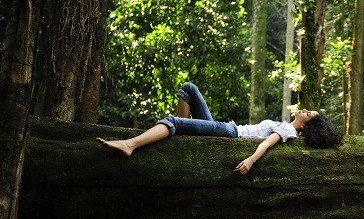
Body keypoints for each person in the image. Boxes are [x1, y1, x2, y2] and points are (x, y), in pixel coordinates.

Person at [97, 82, 343, 174]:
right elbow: (257, 132)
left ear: (306, 126)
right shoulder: (287, 125)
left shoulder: (288, 131)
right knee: (189, 90)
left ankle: (130, 145)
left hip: (229, 134)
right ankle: (177, 136)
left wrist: (250, 160)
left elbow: (267, 143)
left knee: (174, 121)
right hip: (232, 129)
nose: (304, 109)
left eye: (308, 113)